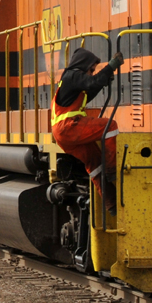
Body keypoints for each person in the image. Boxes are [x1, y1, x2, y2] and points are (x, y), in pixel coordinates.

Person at [51, 48, 124, 212]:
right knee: (110, 126)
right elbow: (92, 82)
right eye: (91, 70)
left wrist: (104, 78)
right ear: (83, 65)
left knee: (95, 162)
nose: (91, 73)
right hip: (69, 127)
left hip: (63, 134)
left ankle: (111, 204)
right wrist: (111, 66)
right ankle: (112, 169)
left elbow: (91, 89)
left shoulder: (71, 82)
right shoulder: (73, 75)